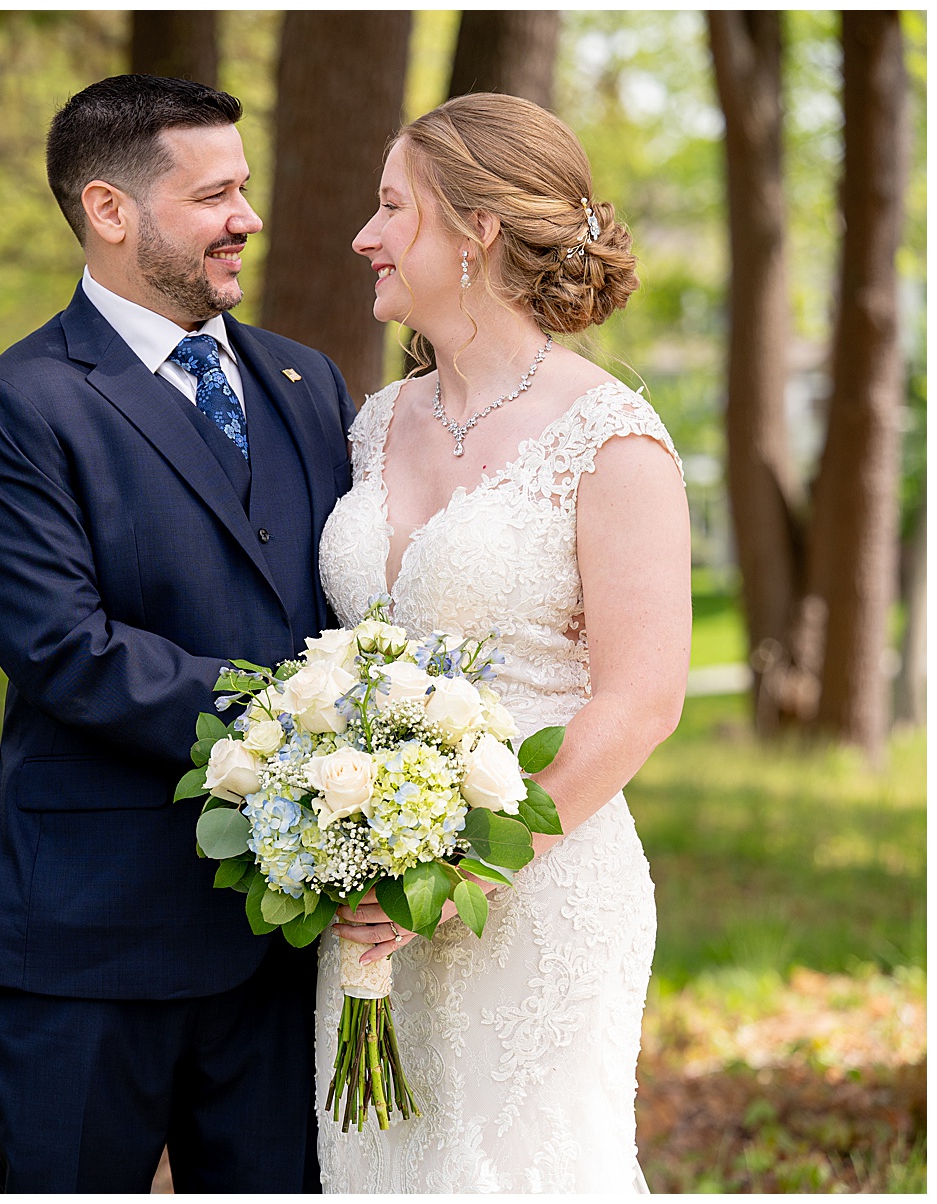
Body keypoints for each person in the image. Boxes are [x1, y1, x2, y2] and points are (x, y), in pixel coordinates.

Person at [0, 74, 354, 1192]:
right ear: (109, 209)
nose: (247, 218)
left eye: (247, 187)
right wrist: (309, 728)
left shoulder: (304, 381)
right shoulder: (16, 404)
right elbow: (62, 647)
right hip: (87, 946)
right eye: (215, 194)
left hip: (282, 945)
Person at [316, 93, 691, 1192]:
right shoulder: (376, 422)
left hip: (536, 893)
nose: (365, 237)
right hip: (370, 909)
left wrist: (456, 867)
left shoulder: (610, 436)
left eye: (393, 209)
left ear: (474, 230)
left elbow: (641, 701)